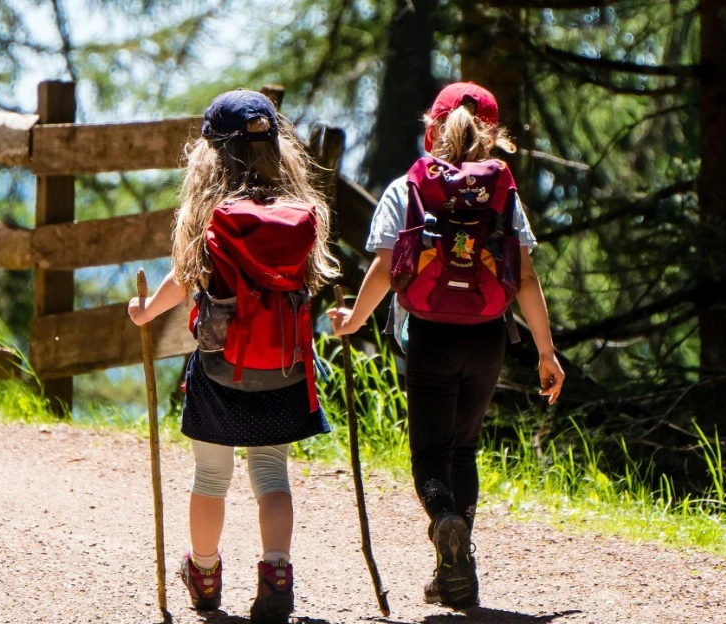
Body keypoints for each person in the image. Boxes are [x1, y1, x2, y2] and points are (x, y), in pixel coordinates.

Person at [328, 82, 565, 610]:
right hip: (486, 337)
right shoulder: (504, 194)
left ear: (431, 128)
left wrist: (352, 321)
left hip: (429, 335)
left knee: (429, 454)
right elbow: (524, 279)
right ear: (494, 135)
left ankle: (445, 522)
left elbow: (387, 269)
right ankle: (457, 570)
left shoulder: (408, 187)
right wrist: (547, 354)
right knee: (464, 448)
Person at [128, 89, 339, 622]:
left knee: (210, 477)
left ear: (210, 154)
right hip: (287, 371)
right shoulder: (302, 213)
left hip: (223, 371)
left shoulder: (213, 214)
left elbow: (185, 279)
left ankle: (202, 572)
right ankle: (277, 571)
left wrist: (147, 311)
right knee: (272, 475)